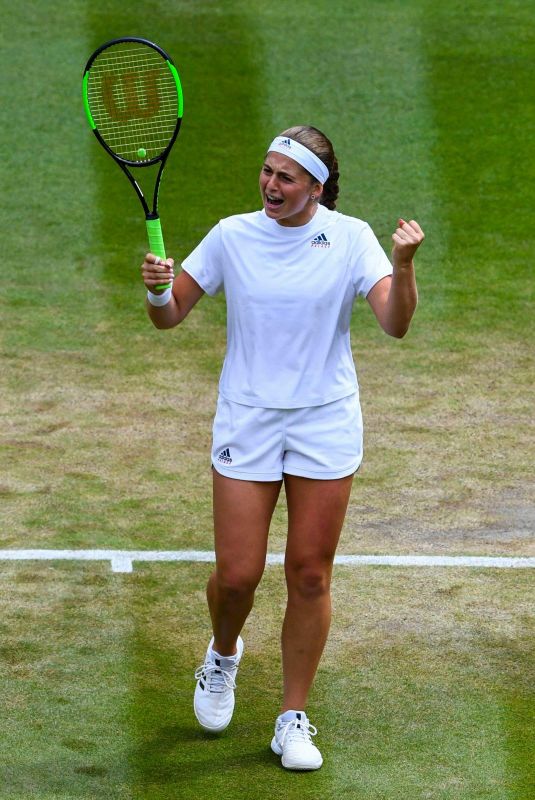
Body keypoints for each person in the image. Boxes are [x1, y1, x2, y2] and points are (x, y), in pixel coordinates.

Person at [141, 125, 424, 771]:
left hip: (324, 421)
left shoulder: (350, 237)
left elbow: (395, 323)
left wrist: (402, 267)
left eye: (285, 176)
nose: (270, 185)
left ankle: (291, 717)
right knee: (238, 577)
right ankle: (222, 655)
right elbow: (168, 315)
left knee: (309, 573)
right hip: (248, 419)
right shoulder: (231, 234)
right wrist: (157, 285)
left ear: (315, 188)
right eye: (266, 171)